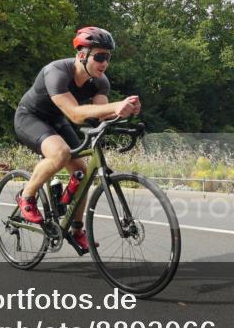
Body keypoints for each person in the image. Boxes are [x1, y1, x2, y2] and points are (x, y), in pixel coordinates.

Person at [13, 27, 140, 253]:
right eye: (99, 56)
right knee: (60, 153)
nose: (105, 63)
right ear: (82, 55)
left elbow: (101, 112)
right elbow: (74, 113)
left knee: (82, 171)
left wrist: (125, 111)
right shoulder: (56, 72)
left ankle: (76, 229)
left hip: (57, 120)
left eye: (108, 57)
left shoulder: (100, 82)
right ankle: (26, 196)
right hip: (30, 118)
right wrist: (116, 106)